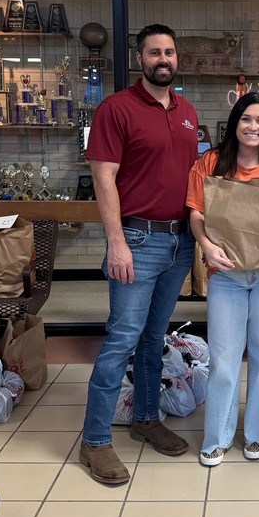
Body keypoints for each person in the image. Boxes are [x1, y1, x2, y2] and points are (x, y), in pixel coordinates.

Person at [80, 24, 197, 485]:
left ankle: (146, 418)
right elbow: (103, 179)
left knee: (154, 339)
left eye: (169, 51)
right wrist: (116, 242)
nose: (162, 59)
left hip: (179, 242)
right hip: (138, 240)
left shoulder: (186, 111)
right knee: (121, 341)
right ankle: (94, 441)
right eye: (154, 52)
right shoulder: (117, 109)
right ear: (140, 59)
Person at [187, 92, 259, 466]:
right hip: (227, 276)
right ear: (235, 122)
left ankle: (258, 433)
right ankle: (217, 437)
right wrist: (204, 244)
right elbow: (197, 214)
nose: (253, 127)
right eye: (247, 119)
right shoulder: (211, 162)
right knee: (223, 357)